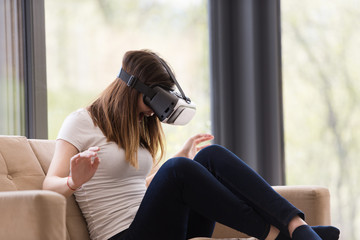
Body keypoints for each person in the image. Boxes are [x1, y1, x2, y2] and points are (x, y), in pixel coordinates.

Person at [43, 49, 340, 240]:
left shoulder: (135, 125)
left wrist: (181, 160)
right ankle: (283, 238)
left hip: (164, 228)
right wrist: (72, 180)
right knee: (176, 170)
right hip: (123, 235)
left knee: (209, 156)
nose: (154, 112)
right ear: (136, 89)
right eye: (154, 99)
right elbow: (48, 187)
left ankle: (295, 226)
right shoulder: (81, 121)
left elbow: (136, 189)